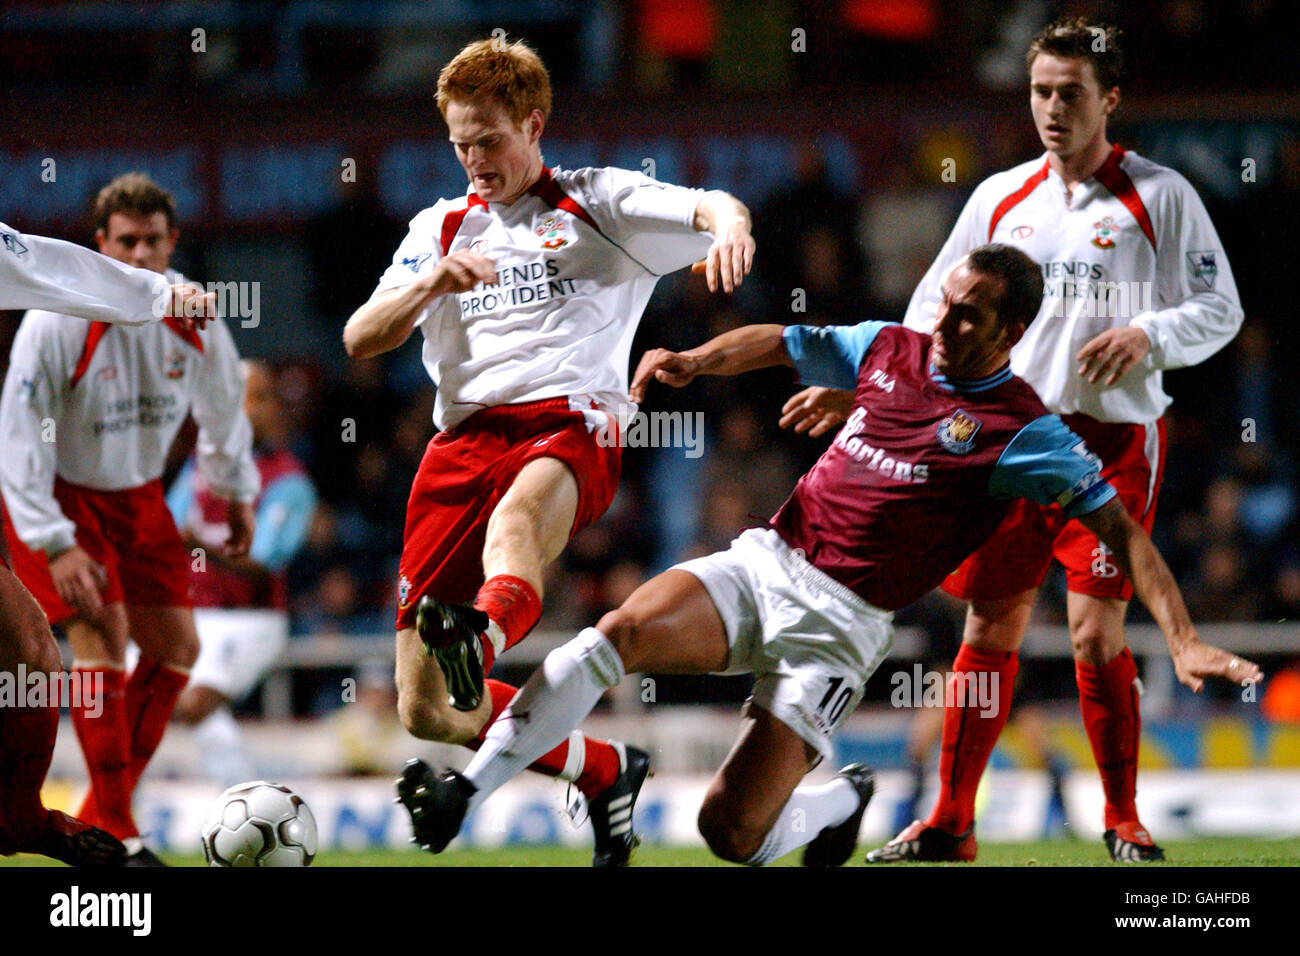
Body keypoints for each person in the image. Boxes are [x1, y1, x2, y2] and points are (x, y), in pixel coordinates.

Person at [382, 245, 1261, 866]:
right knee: (617, 633)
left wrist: (1181, 637)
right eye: (947, 301)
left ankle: (840, 802)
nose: (945, 322)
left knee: (731, 834)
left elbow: (1125, 538)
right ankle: (471, 788)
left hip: (844, 629)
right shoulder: (890, 349)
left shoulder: (1027, 430)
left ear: (1014, 329)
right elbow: (781, 339)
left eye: (970, 315)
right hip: (769, 562)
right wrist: (697, 361)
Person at [793, 18, 1244, 863]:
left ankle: (1123, 821)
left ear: (1109, 99)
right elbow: (932, 310)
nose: (1052, 108)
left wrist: (1149, 335)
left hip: (1110, 441)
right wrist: (868, 383)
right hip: (1003, 442)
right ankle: (951, 825)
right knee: (989, 628)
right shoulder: (999, 197)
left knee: (1094, 636)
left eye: (1070, 93)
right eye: (1040, 91)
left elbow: (1222, 310)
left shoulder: (1162, 195)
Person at [342, 37, 754, 866]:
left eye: (488, 139)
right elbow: (359, 338)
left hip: (570, 424)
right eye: (459, 143)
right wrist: (429, 284)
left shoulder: (600, 201)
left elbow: (712, 205)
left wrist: (731, 229)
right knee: (429, 714)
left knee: (520, 524)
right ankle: (604, 767)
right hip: (459, 446)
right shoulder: (441, 227)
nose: (474, 160)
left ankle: (482, 638)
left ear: (533, 124)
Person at [0, 175, 259, 866]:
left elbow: (225, 405)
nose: (141, 252)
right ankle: (120, 824)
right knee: (102, 639)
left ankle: (101, 809)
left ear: (174, 241)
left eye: (153, 240)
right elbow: (19, 433)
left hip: (140, 496)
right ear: (102, 244)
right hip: (60, 495)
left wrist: (235, 489)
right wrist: (53, 541)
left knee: (178, 649)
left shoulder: (195, 313)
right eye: (126, 241)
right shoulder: (56, 321)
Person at [155, 359, 317, 784]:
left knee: (191, 705)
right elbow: (166, 531)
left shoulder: (288, 480)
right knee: (130, 695)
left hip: (250, 620)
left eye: (260, 398)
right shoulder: (198, 467)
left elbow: (263, 566)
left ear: (275, 409)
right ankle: (246, 804)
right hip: (191, 615)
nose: (250, 409)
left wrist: (199, 546)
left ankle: (244, 801)